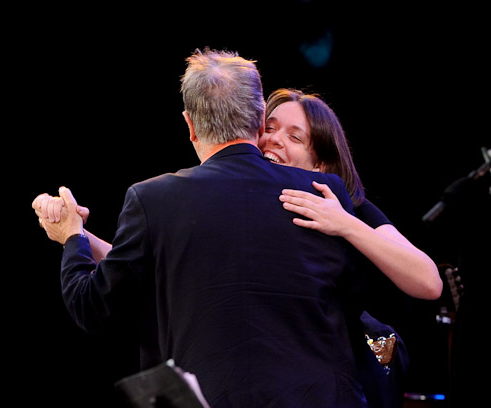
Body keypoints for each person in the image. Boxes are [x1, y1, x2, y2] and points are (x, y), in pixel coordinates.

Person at [32, 48, 369, 407]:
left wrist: (71, 236)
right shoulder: (322, 194)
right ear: (259, 123)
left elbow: (92, 306)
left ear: (190, 125)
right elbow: (357, 298)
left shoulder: (153, 200)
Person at [258, 88, 443, 408]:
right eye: (269, 128)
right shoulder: (241, 198)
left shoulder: (351, 208)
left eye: (295, 137)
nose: (273, 139)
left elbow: (429, 282)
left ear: (320, 166)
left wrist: (345, 223)